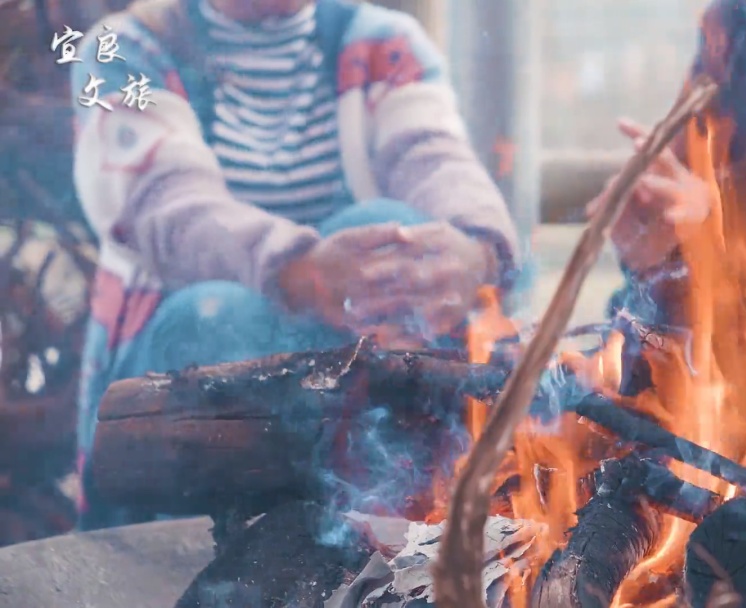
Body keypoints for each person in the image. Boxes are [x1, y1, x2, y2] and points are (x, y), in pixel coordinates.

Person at [69, 0, 521, 529]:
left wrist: (476, 249)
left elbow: (433, 155)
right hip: (189, 363)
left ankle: (401, 520)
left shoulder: (383, 41)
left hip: (349, 347)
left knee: (391, 227)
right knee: (215, 315)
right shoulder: (127, 47)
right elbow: (164, 204)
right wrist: (301, 272)